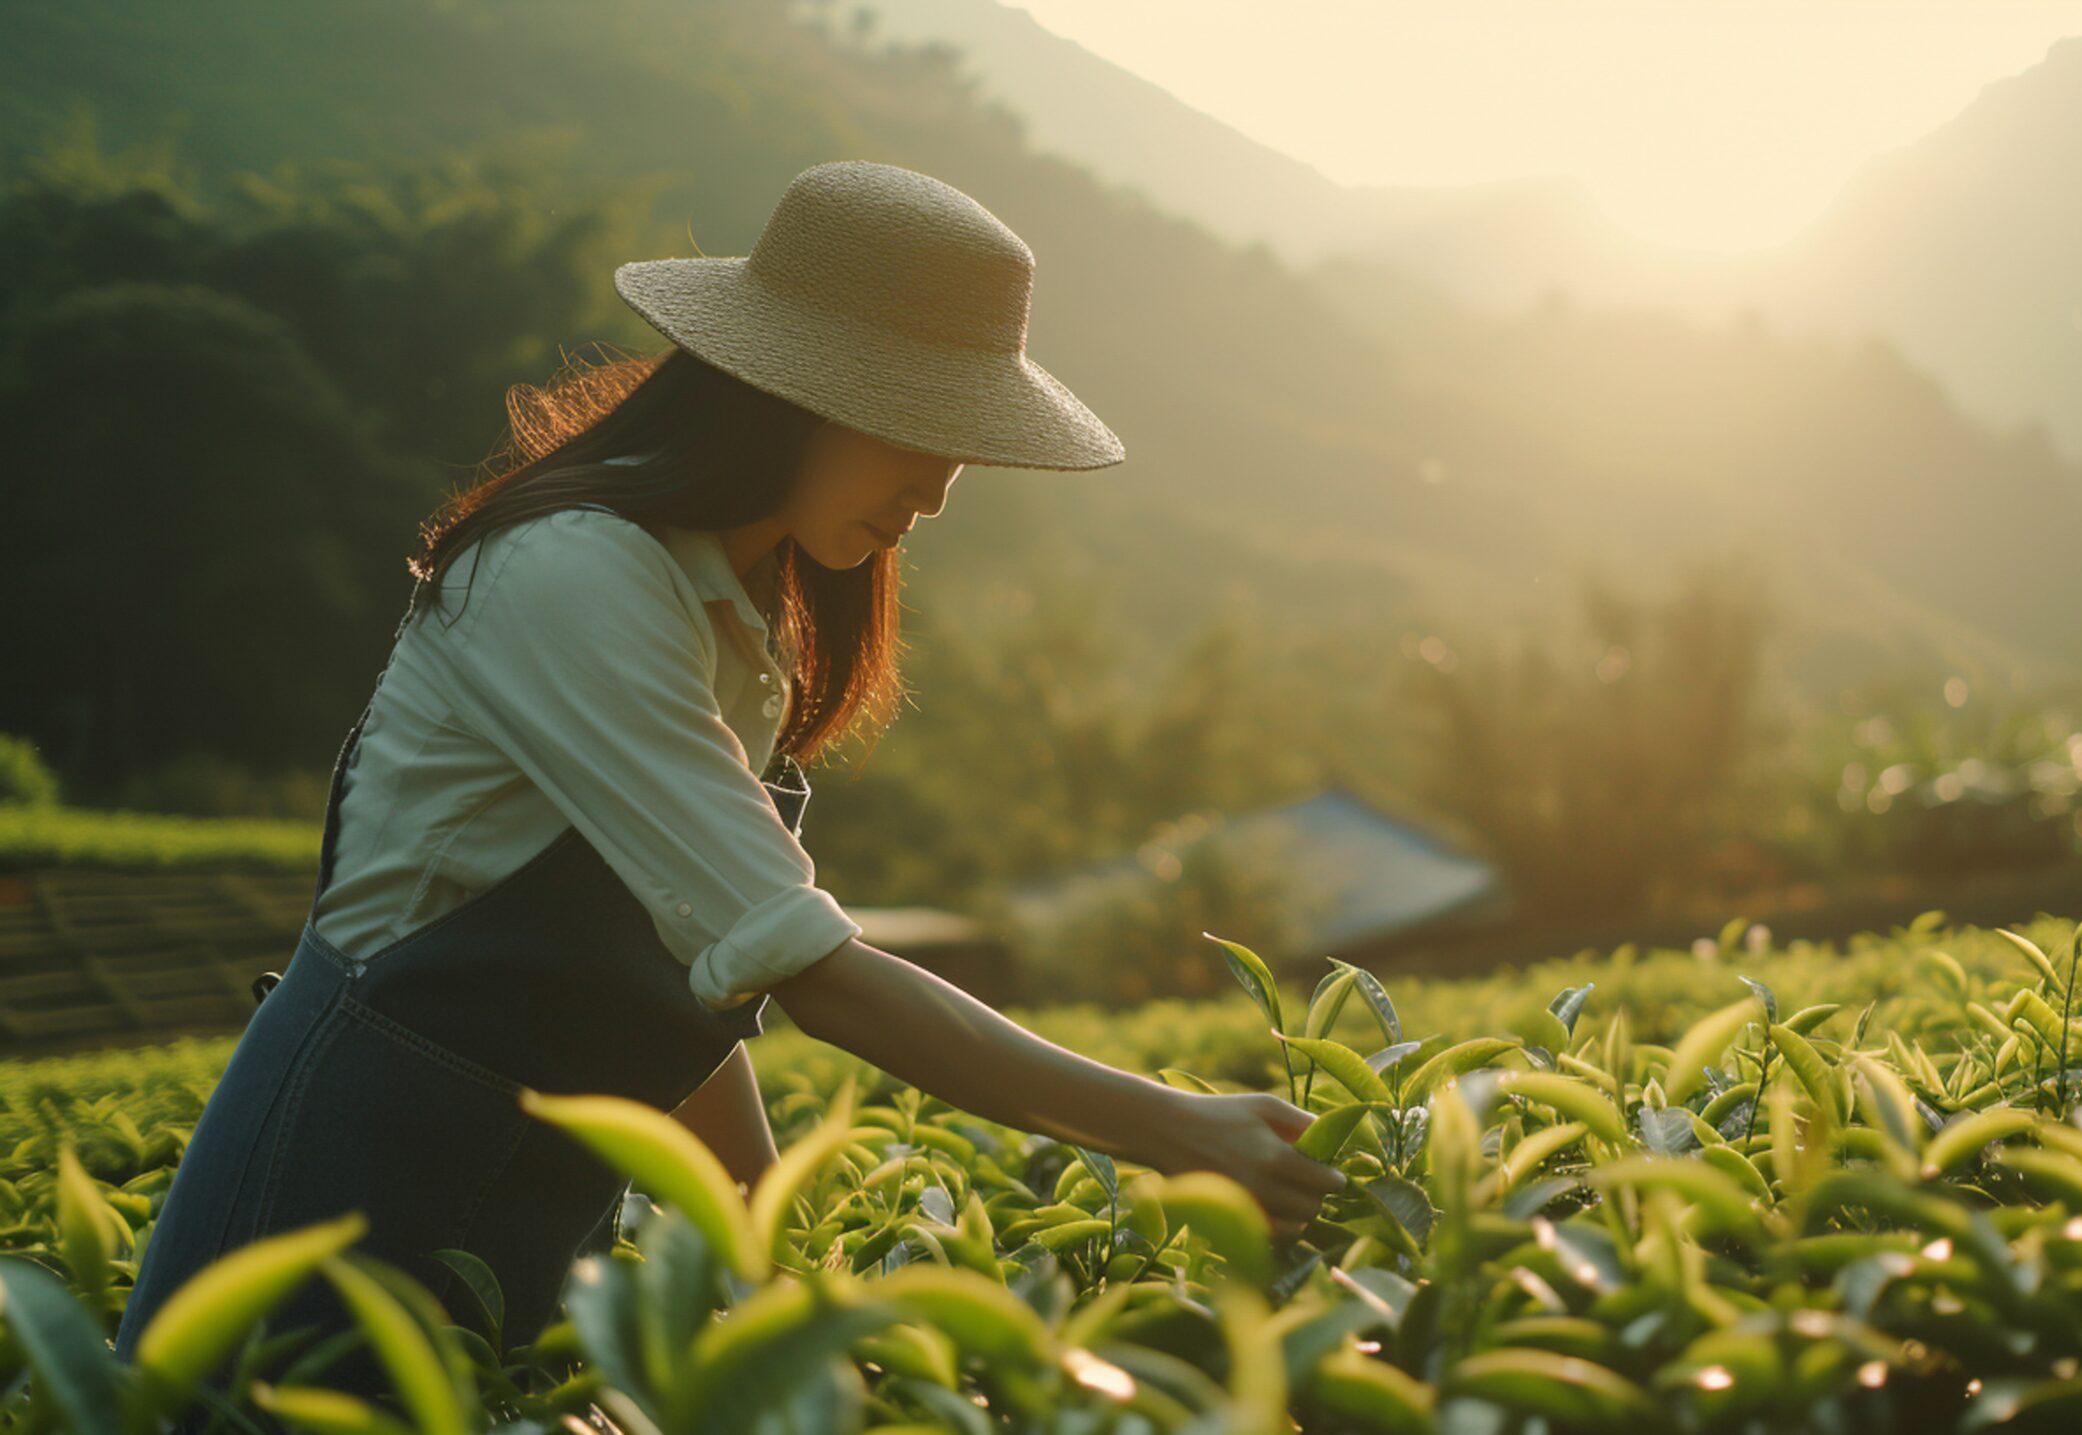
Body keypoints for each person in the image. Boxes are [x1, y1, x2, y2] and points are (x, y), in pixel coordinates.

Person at [111, 159, 1345, 1401]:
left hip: (526, 1217)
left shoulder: (732, 611)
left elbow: (681, 971)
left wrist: (768, 1247)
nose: (940, 489)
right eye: (916, 429)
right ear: (787, 395)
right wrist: (1170, 1127)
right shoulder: (571, 577)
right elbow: (812, 970)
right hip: (344, 1193)